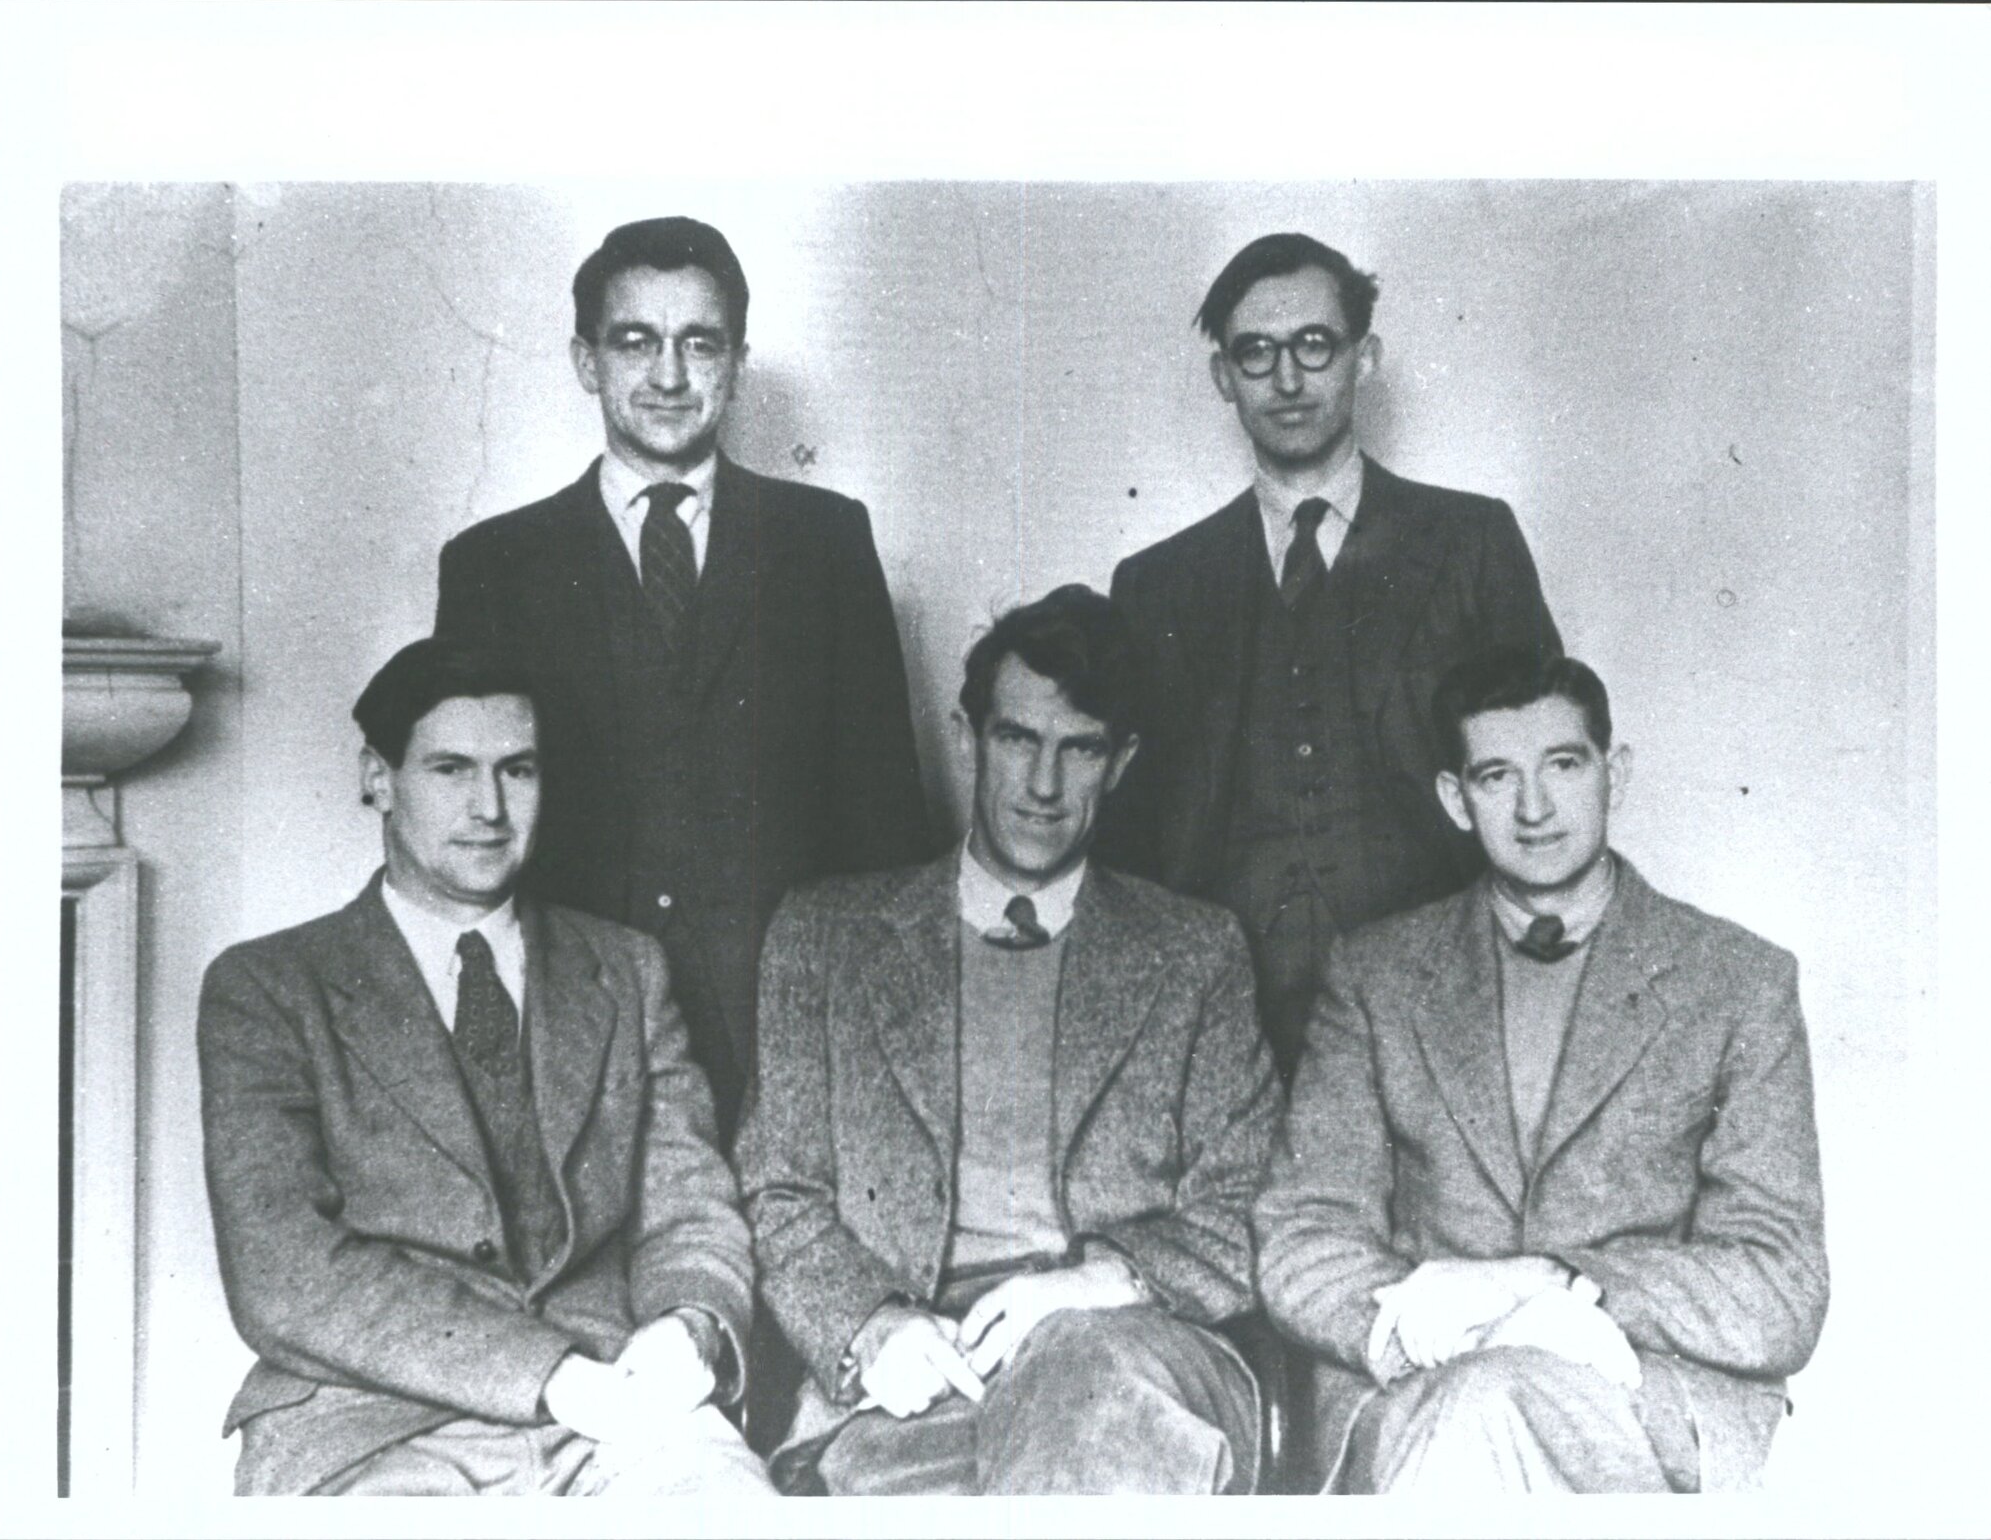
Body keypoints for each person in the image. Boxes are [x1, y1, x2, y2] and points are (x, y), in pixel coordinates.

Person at [737, 585, 1282, 1494]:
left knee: (1087, 1380)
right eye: (1017, 740)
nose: (1042, 784)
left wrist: (1103, 1281)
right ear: (966, 736)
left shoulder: (1194, 952)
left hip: (1135, 1357)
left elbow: (1250, 1199)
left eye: (1080, 750)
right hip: (915, 1375)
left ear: (1121, 763)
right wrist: (870, 1323)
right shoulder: (824, 937)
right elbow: (777, 1187)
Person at [196, 638, 772, 1496]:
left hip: (622, 1406)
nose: (489, 807)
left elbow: (688, 1204)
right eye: (450, 770)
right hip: (374, 1421)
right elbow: (283, 1273)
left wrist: (692, 1324)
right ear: (378, 778)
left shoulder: (626, 968)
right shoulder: (269, 988)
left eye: (519, 770)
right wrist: (545, 1375)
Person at [1253, 650, 1828, 1493]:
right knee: (1479, 1401)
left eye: (1562, 764)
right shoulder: (1373, 975)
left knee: (1489, 1407)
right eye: (1495, 776)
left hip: (1638, 1403)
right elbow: (1303, 1236)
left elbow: (1781, 1287)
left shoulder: (1738, 981)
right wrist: (1421, 1327)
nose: (1532, 807)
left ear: (1612, 773)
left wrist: (1569, 1286)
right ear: (1455, 799)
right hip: (1423, 1388)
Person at [435, 216, 930, 1143]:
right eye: (636, 342)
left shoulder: (825, 542)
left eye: (698, 343)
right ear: (586, 361)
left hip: (787, 1033)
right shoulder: (494, 564)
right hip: (576, 1032)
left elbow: (884, 820)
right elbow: (468, 829)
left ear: (736, 362)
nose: (668, 375)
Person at [1103, 232, 1561, 1076]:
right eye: (1255, 353)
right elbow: (1125, 844)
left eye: (1314, 344)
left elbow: (1542, 781)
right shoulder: (1156, 585)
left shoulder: (1470, 543)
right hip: (1216, 1028)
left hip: (1442, 1013)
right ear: (1221, 378)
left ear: (1365, 356)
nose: (1286, 379)